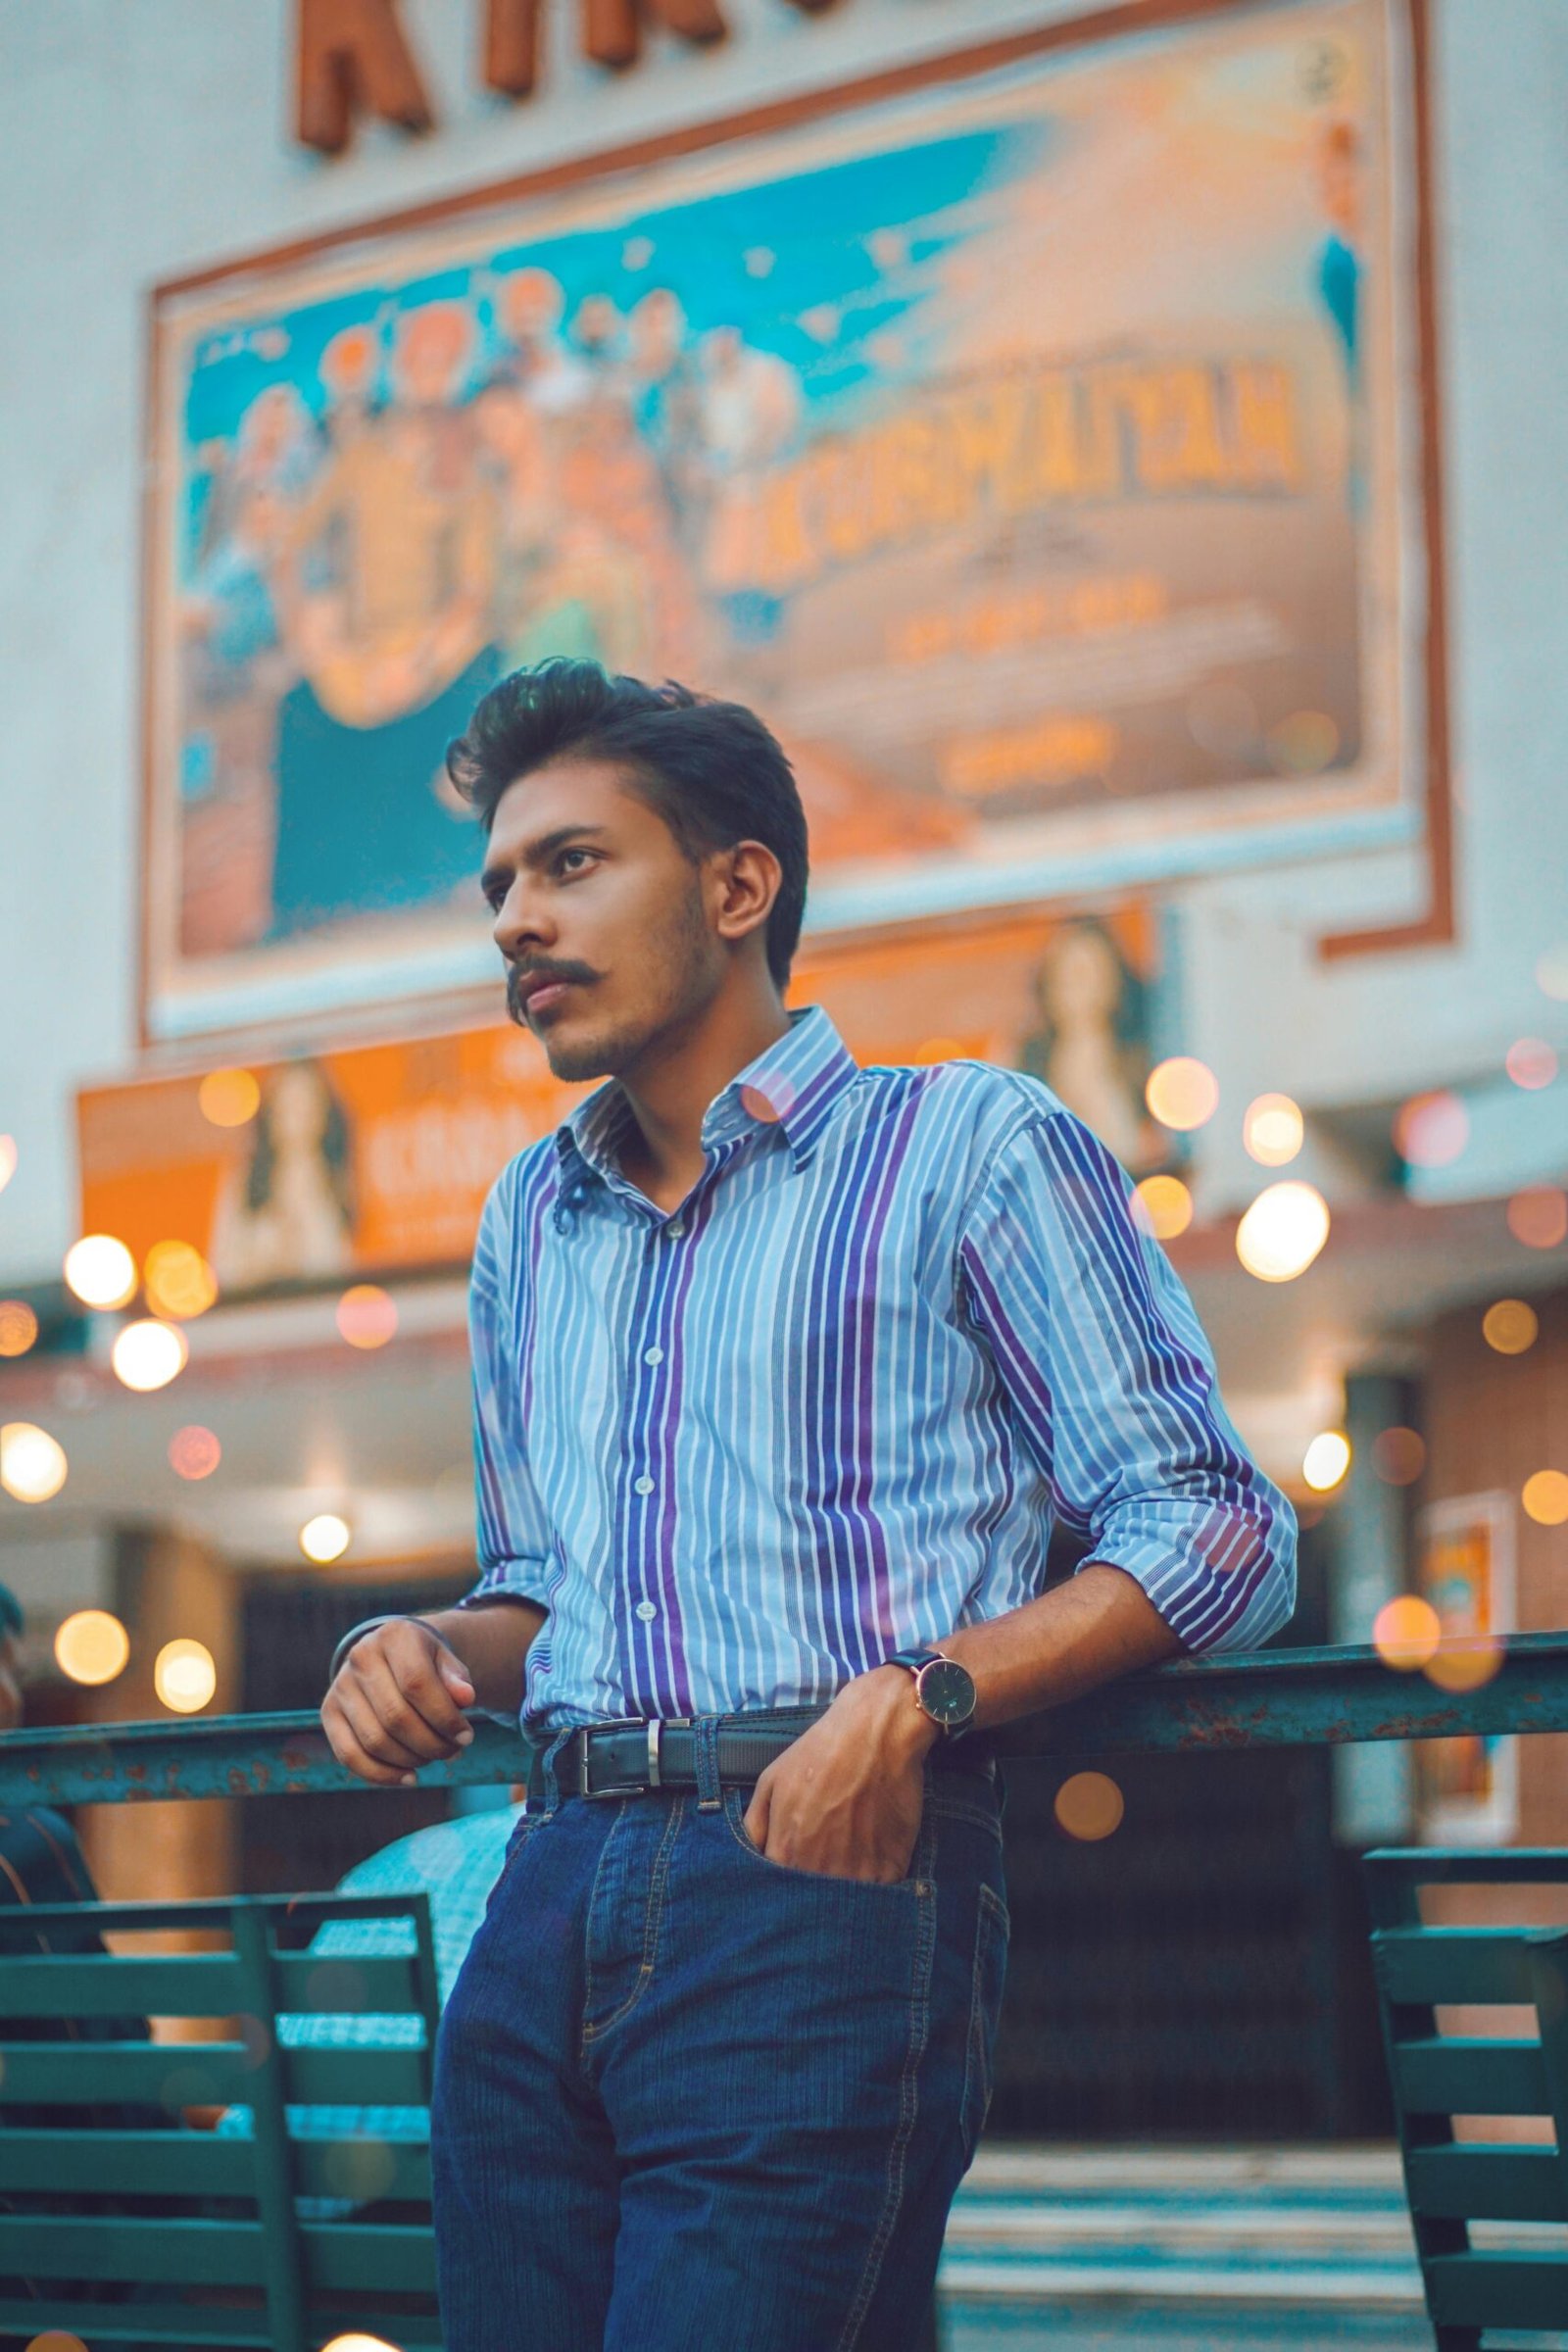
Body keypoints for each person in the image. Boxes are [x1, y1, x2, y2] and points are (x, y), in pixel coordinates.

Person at [319, 658, 1296, 2352]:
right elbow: (545, 1584)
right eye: (500, 886)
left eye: (570, 864)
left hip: (817, 1881)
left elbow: (1215, 1525)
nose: (515, 924)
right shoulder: (526, 1221)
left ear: (738, 883)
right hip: (538, 1891)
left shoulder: (968, 1145)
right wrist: (421, 1648)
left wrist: (922, 1701)